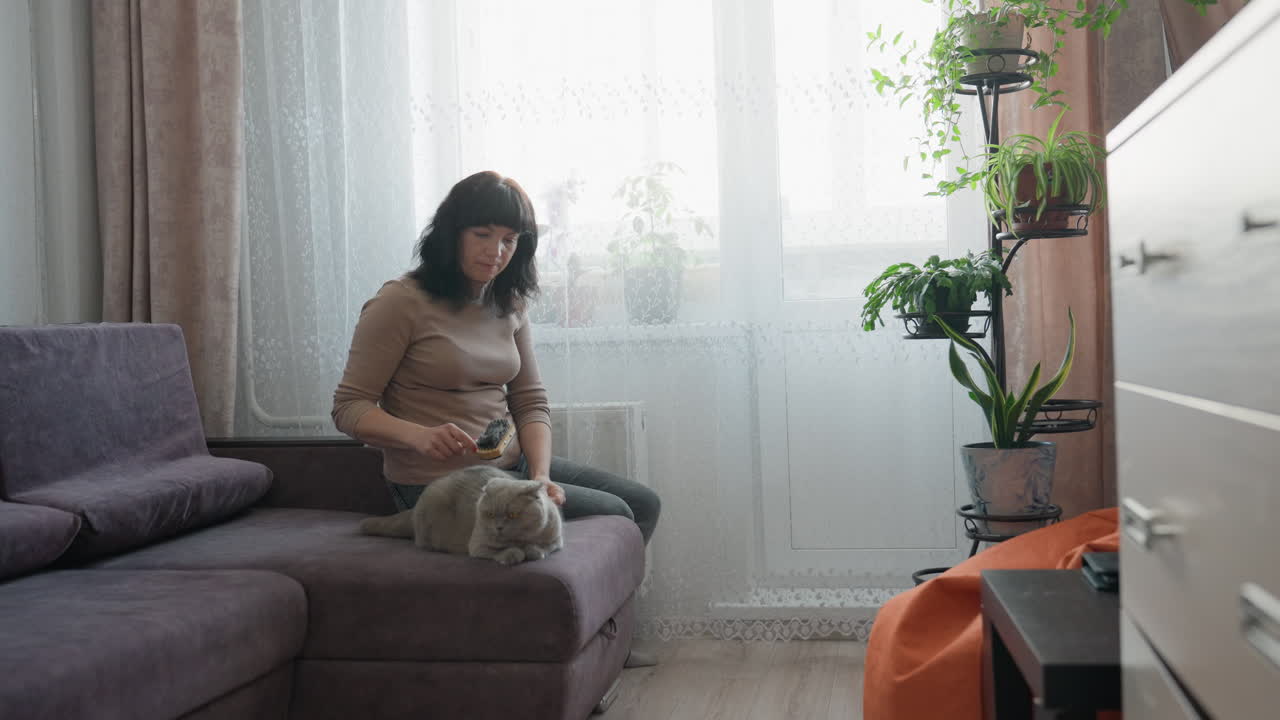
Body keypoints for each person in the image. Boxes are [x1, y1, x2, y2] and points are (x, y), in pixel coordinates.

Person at [331, 170, 660, 666]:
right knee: (612, 513)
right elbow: (349, 407)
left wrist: (542, 477)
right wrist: (417, 437)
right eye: (482, 234)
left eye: (509, 240)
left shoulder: (509, 302)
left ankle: (604, 636)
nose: (496, 251)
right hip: (440, 484)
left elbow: (529, 401)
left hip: (511, 472)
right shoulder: (400, 302)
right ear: (451, 233)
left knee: (641, 504)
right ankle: (589, 643)